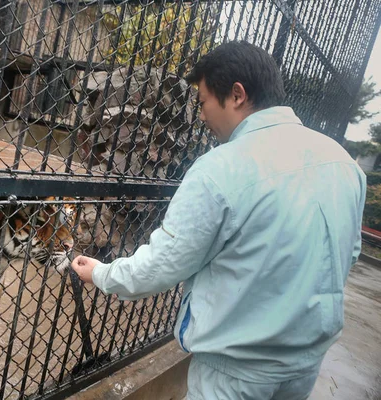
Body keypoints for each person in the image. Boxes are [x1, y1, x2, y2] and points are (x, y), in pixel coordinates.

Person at [71, 41, 366, 400]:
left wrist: (101, 273)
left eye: (204, 102)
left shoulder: (222, 167)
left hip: (236, 369)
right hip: (306, 360)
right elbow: (347, 253)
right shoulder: (342, 162)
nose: (202, 115)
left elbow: (163, 264)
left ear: (237, 95)